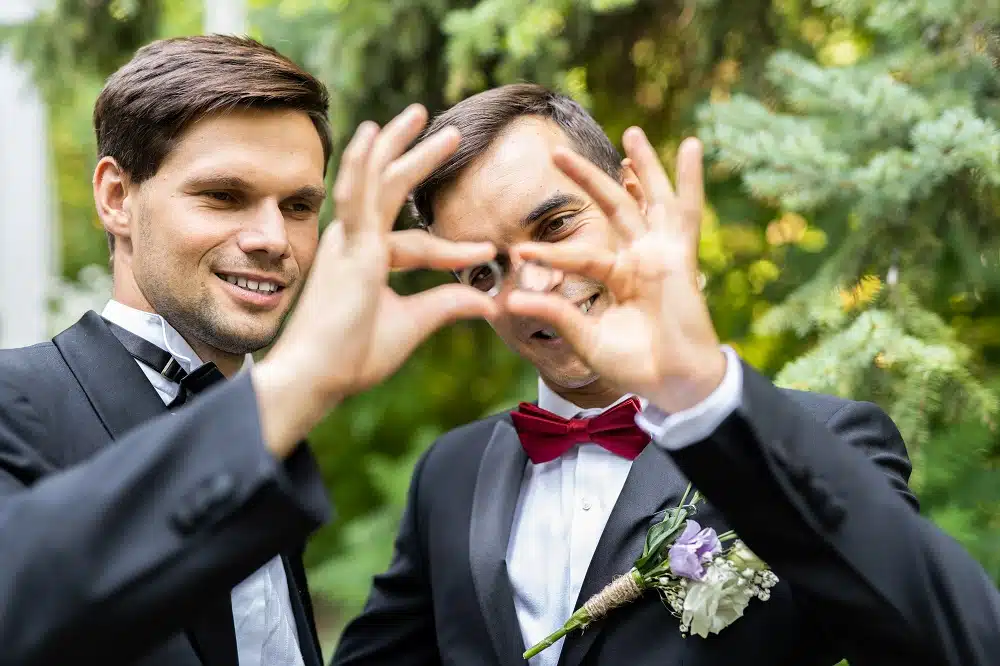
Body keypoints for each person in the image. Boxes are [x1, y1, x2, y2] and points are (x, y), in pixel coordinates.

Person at [331, 83, 1000, 666]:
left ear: (630, 196)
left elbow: (959, 646)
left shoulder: (819, 439)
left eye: (557, 225)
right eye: (486, 269)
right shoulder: (450, 474)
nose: (531, 285)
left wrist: (702, 399)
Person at [0, 35, 498, 666]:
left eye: (298, 206)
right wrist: (298, 381)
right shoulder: (14, 403)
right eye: (224, 196)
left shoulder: (274, 433)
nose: (272, 239)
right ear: (117, 198)